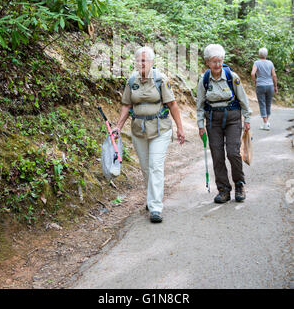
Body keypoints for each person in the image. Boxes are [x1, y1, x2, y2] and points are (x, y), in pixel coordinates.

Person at [112, 46, 185, 223]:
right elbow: (126, 105)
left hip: (160, 130)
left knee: (155, 166)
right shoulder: (132, 80)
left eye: (144, 60)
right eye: (138, 60)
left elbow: (173, 104)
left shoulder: (161, 80)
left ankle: (156, 207)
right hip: (139, 130)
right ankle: (151, 198)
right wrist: (118, 127)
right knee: (145, 168)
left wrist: (180, 128)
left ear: (152, 62)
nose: (140, 63)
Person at [197, 44, 251, 204]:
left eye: (220, 61)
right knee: (217, 154)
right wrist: (200, 125)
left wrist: (247, 119)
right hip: (213, 120)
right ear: (207, 62)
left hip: (233, 118)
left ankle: (239, 185)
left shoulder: (232, 76)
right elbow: (199, 104)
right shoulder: (204, 79)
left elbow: (243, 100)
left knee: (233, 152)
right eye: (214, 61)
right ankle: (223, 190)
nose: (218, 65)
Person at [251, 47, 278, 131]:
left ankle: (265, 123)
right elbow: (274, 75)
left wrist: (255, 81)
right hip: (270, 85)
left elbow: (252, 73)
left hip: (260, 85)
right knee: (268, 104)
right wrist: (275, 86)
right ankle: (266, 123)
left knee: (262, 104)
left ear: (259, 54)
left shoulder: (256, 63)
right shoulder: (270, 63)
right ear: (266, 55)